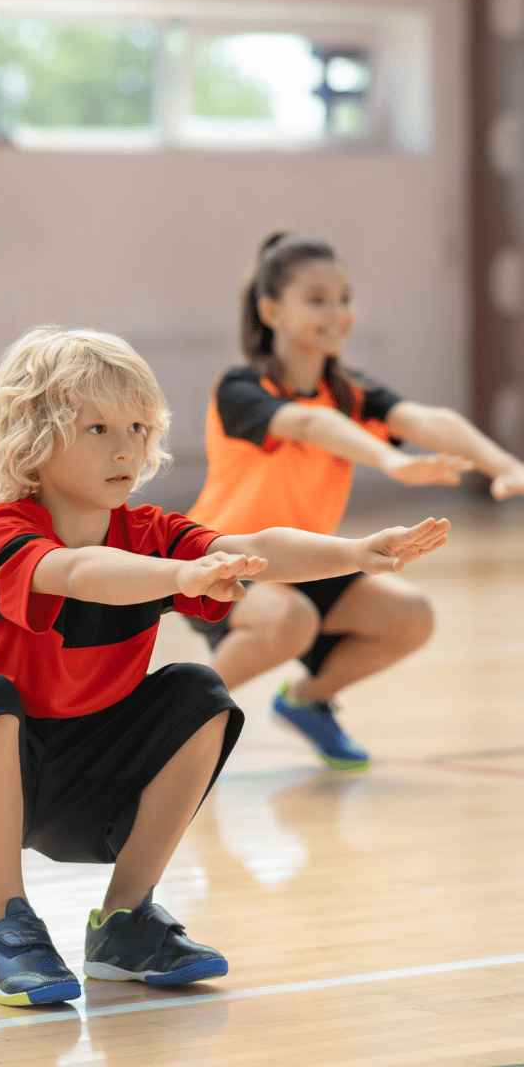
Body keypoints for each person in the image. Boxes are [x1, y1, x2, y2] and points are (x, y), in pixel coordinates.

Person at [0, 326, 450, 1007]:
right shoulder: (3, 535)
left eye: (139, 427)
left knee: (198, 692)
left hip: (68, 781)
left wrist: (357, 552)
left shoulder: (151, 532)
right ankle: (6, 928)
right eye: (96, 428)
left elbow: (258, 544)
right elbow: (84, 572)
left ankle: (125, 923)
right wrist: (182, 573)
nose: (126, 447)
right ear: (33, 437)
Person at [186, 232, 524, 770]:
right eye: (317, 299)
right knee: (288, 621)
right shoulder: (240, 386)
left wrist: (504, 465)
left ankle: (308, 701)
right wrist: (389, 461)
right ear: (270, 309)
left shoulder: (351, 392)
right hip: (222, 559)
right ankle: (173, 724)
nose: (337, 312)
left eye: (344, 298)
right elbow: (309, 423)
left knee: (411, 616)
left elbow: (427, 420)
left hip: (305, 561)